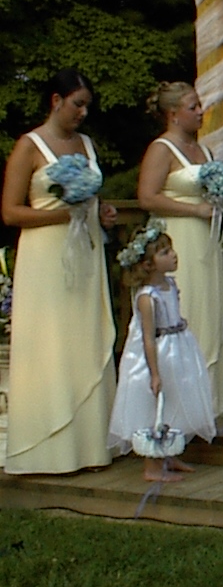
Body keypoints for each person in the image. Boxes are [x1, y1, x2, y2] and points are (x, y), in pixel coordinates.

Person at [1, 69, 118, 474]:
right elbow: (10, 211)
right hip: (45, 256)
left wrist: (100, 213)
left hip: (85, 253)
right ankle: (47, 446)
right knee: (50, 342)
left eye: (87, 106)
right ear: (56, 100)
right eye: (77, 104)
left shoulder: (86, 144)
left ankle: (90, 446)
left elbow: (92, 200)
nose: (83, 112)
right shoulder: (29, 146)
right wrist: (62, 216)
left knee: (84, 337)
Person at [137, 82, 223, 417]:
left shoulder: (204, 151)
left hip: (205, 241)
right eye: (193, 107)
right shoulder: (161, 149)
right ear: (173, 114)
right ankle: (182, 403)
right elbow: (147, 197)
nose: (200, 112)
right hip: (178, 240)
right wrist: (194, 210)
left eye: (199, 105)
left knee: (210, 307)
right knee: (185, 306)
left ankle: (212, 400)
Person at [108, 220, 216, 482]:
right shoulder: (147, 297)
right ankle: (152, 466)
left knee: (175, 399)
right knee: (154, 405)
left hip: (178, 349)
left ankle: (168, 453)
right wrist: (154, 373)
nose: (174, 255)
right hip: (156, 354)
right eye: (165, 252)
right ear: (148, 264)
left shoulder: (171, 285)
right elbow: (147, 337)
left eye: (171, 250)